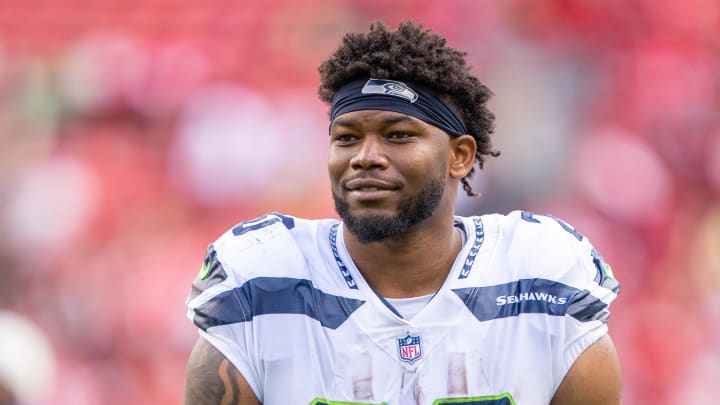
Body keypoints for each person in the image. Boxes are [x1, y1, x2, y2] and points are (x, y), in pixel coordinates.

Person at [184, 21, 621, 405]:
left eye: (398, 135)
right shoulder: (262, 280)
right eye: (347, 137)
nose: (365, 157)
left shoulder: (541, 278)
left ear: (460, 156)